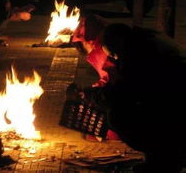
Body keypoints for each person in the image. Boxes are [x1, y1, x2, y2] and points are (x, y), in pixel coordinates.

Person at [81, 23, 186, 172]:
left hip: (176, 108)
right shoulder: (143, 39)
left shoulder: (139, 54)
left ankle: (167, 158)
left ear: (117, 44)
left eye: (113, 55)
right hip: (171, 100)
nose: (114, 59)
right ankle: (163, 157)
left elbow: (119, 94)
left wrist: (91, 95)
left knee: (118, 116)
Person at [69, 14, 120, 141]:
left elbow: (113, 83)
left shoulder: (101, 50)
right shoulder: (109, 43)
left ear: (87, 41)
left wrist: (89, 93)